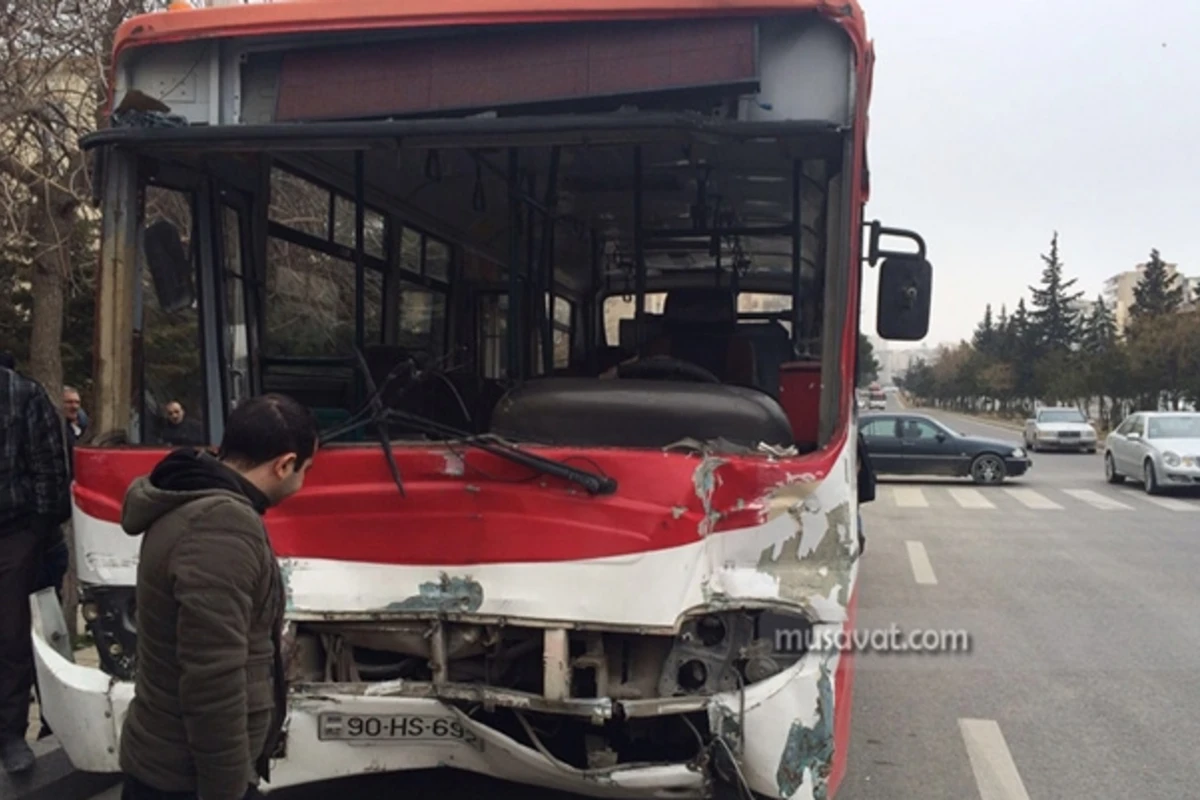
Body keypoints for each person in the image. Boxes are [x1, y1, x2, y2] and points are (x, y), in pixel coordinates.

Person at [118, 393, 318, 800]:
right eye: (305, 469)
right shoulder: (221, 525)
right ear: (283, 464)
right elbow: (213, 680)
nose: (303, 481)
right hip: (186, 779)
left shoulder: (200, 501)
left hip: (171, 764)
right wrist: (226, 790)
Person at [0, 356, 71, 773]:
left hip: (14, 530)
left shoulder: (22, 395)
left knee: (10, 635)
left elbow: (50, 469)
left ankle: (9, 734)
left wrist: (37, 534)